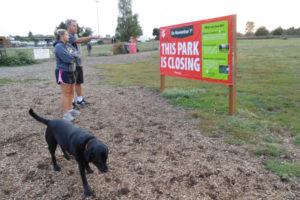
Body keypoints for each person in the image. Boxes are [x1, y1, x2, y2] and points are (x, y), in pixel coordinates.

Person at [65, 19, 100, 110]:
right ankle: (71, 102)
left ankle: (80, 100)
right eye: (74, 26)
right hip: (71, 63)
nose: (76, 27)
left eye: (76, 25)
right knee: (71, 84)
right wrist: (91, 37)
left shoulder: (75, 35)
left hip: (78, 62)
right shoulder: (68, 35)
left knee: (79, 82)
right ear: (68, 27)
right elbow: (79, 40)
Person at [53, 29, 81, 121]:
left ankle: (70, 109)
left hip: (71, 70)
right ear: (62, 36)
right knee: (66, 93)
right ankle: (66, 114)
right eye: (67, 35)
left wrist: (74, 56)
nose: (69, 36)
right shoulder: (59, 47)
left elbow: (77, 53)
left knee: (71, 91)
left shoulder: (67, 45)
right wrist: (74, 57)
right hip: (63, 71)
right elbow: (68, 59)